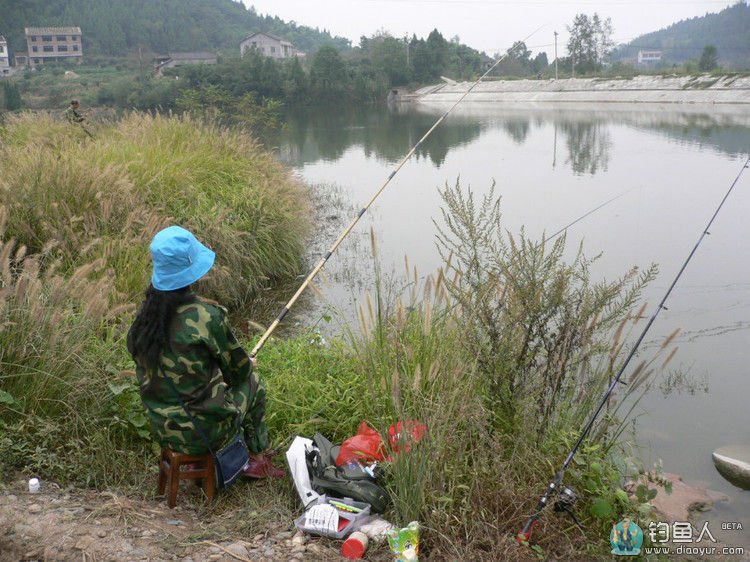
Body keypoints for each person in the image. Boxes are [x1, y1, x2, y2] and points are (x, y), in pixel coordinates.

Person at [127, 225, 284, 479]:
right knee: (253, 382)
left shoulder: (142, 324)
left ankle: (194, 463)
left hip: (163, 429)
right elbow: (238, 372)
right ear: (191, 271)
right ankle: (257, 459)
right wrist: (248, 365)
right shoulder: (207, 317)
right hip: (206, 433)